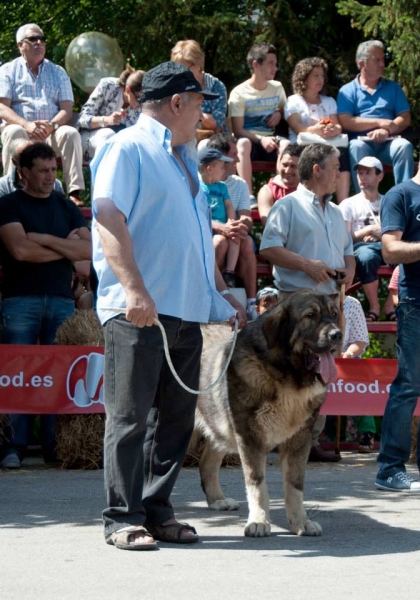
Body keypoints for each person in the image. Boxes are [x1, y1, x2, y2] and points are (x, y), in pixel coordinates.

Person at [91, 61, 246, 551]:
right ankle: (122, 517)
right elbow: (107, 216)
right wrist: (134, 290)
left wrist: (217, 291)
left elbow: (197, 237)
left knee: (175, 420)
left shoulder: (184, 159)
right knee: (131, 416)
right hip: (138, 310)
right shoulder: (127, 146)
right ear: (177, 102)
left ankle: (157, 512)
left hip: (186, 311)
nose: (205, 112)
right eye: (199, 102)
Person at [260, 143, 355, 462]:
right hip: (296, 304)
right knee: (291, 374)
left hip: (328, 303)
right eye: (335, 167)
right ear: (317, 170)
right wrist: (307, 265)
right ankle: (284, 441)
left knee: (321, 373)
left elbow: (348, 254)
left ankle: (309, 441)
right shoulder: (286, 206)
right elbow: (269, 248)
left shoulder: (338, 212)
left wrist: (348, 272)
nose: (340, 173)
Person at [0, 142, 92, 470]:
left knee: (58, 375)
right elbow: (21, 252)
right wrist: (67, 247)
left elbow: (89, 251)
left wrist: (43, 239)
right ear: (23, 173)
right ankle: (14, 446)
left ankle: (55, 446)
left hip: (60, 300)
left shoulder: (64, 205)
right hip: (20, 299)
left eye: (53, 170)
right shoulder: (8, 205)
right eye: (42, 170)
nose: (50, 176)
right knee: (18, 374)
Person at [0, 23, 85, 206]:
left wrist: (51, 126)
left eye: (42, 39)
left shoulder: (58, 72)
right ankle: (11, 191)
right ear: (20, 45)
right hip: (21, 131)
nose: (39, 42)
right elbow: (2, 107)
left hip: (51, 132)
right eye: (33, 39)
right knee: (13, 131)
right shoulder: (7, 70)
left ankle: (74, 193)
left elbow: (67, 109)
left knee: (70, 134)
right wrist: (26, 125)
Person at [375, 164, 420, 492]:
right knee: (408, 386)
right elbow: (390, 250)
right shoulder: (401, 194)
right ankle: (390, 469)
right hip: (416, 302)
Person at [337, 40, 414, 193]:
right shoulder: (347, 91)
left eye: (382, 59)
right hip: (363, 143)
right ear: (362, 64)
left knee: (404, 146)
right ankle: (364, 202)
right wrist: (379, 123)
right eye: (377, 60)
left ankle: (404, 200)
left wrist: (388, 129)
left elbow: (405, 117)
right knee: (355, 147)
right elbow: (346, 121)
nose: (382, 64)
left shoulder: (393, 88)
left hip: (389, 143)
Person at [284, 57, 350, 203]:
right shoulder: (293, 101)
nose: (320, 79)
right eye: (315, 75)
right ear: (304, 78)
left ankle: (343, 203)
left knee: (343, 154)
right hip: (303, 146)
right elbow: (297, 127)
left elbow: (338, 126)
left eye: (322, 75)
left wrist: (333, 130)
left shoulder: (329, 101)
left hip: (328, 145)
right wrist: (316, 130)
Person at [206, 133, 258, 319]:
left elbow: (246, 215)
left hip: (232, 232)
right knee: (220, 243)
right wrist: (222, 228)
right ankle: (213, 293)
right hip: (208, 234)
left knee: (246, 242)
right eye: (234, 154)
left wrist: (239, 225)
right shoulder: (199, 182)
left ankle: (252, 303)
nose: (238, 159)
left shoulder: (239, 184)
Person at [339, 156, 395, 321]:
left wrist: (382, 235)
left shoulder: (390, 202)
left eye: (367, 173)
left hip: (387, 246)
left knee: (408, 256)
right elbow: (344, 239)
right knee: (366, 256)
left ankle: (390, 304)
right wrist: (367, 230)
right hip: (362, 249)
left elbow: (400, 232)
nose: (362, 177)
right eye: (360, 173)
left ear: (380, 176)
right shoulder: (348, 204)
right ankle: (374, 306)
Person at [228, 43, 289, 195]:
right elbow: (238, 129)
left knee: (287, 144)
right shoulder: (239, 93)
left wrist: (279, 113)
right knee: (242, 144)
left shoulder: (277, 88)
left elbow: (285, 109)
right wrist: (261, 139)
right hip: (251, 142)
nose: (275, 68)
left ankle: (281, 192)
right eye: (270, 64)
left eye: (275, 64)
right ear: (256, 64)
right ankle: (248, 195)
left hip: (271, 140)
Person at [78, 67, 144, 158]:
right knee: (108, 136)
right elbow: (82, 119)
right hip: (89, 136)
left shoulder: (143, 106)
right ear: (128, 90)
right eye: (139, 99)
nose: (142, 104)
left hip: (121, 145)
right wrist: (107, 120)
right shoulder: (107, 86)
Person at [198, 146, 239, 288]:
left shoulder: (222, 187)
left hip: (224, 225)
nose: (223, 170)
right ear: (209, 169)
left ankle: (229, 272)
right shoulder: (198, 187)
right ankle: (209, 277)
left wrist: (231, 222)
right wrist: (222, 227)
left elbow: (228, 205)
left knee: (236, 234)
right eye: (221, 167)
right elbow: (200, 215)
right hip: (209, 230)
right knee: (219, 241)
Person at [170, 39, 227, 137]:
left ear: (198, 65)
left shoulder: (216, 86)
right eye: (177, 69)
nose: (180, 74)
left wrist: (187, 112)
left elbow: (216, 123)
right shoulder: (174, 87)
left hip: (211, 140)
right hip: (181, 138)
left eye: (184, 69)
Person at [340, 295, 376, 453]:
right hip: (316, 360)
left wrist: (347, 354)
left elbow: (360, 342)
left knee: (362, 385)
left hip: (347, 361)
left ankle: (367, 433)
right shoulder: (309, 298)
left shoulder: (352, 303)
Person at [0, 138, 64, 196]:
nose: (30, 160)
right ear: (14, 161)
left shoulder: (54, 184)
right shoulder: (3, 186)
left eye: (53, 169)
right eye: (24, 157)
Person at [257, 144, 301, 226]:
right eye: (284, 165)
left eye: (293, 166)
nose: (288, 170)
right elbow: (269, 225)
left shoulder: (310, 190)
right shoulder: (267, 191)